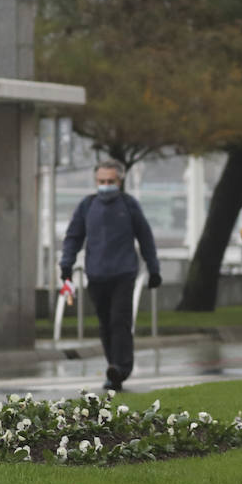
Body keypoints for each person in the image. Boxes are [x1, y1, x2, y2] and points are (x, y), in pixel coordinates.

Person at [60, 160, 162, 392]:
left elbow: (146, 238)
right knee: (105, 324)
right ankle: (113, 368)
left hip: (123, 274)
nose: (105, 186)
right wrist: (66, 264)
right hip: (96, 276)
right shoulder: (87, 206)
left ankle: (121, 367)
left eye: (110, 181)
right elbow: (73, 237)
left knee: (120, 321)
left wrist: (154, 269)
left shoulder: (129, 205)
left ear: (120, 181)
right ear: (96, 182)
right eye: (101, 181)